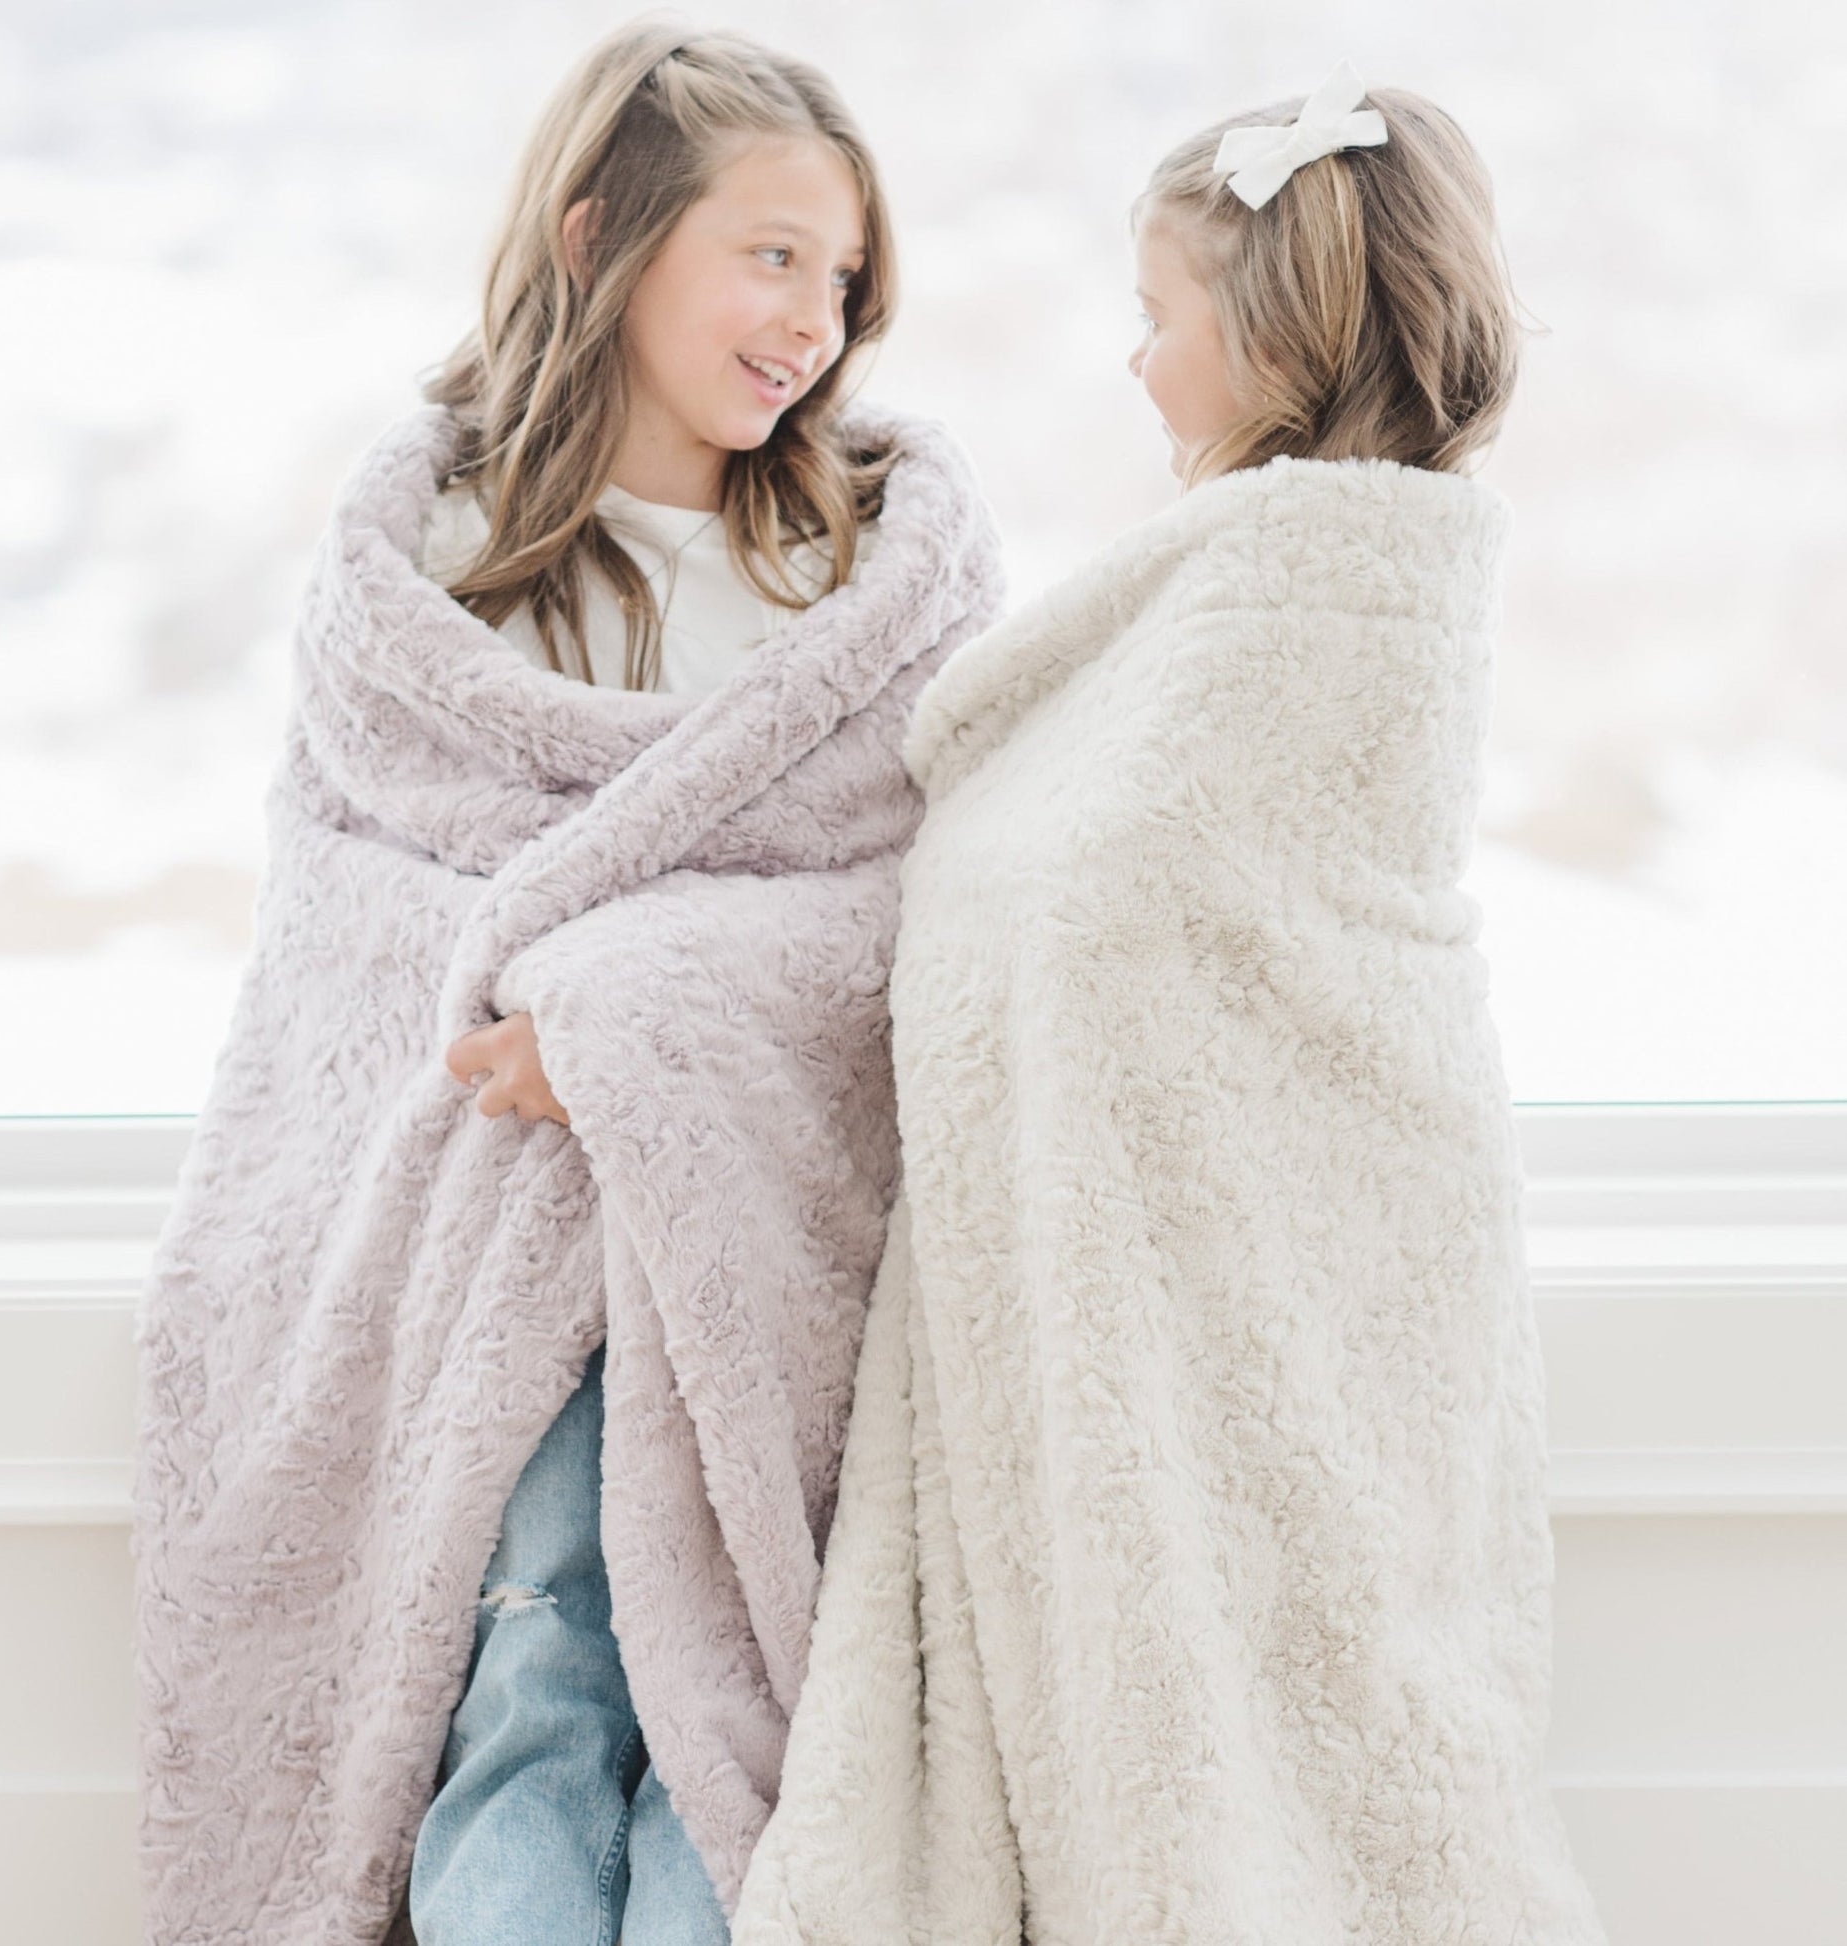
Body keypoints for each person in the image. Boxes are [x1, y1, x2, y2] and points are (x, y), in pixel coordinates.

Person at [129, 23, 1002, 1946]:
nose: (813, 320)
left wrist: (632, 1008)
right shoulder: (431, 578)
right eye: (769, 255)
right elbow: (361, 929)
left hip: (775, 1260)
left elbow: (922, 911)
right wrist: (541, 1026)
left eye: (843, 279)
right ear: (606, 233)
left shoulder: (868, 577)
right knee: (539, 1692)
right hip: (503, 1251)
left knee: (744, 1755)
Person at [734, 63, 1611, 1945]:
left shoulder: (1336, 594)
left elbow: (1170, 912)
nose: (1136, 369)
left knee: (1309, 1735)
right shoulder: (1212, 591)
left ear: (1278, 330)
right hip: (1127, 1273)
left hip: (1325, 1272)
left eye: (1160, 320)